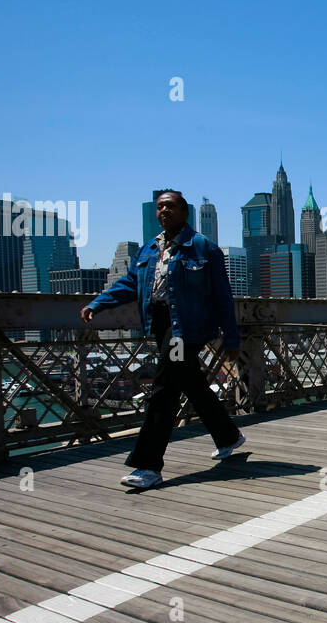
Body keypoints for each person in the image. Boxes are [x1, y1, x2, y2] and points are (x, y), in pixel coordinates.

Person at [81, 190, 244, 489]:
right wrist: (98, 303)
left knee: (163, 390)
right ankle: (229, 435)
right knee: (191, 384)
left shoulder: (203, 248)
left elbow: (222, 296)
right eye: (159, 207)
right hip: (160, 324)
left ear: (185, 212)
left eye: (170, 206)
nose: (163, 211)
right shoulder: (148, 250)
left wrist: (231, 340)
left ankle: (148, 466)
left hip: (185, 329)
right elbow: (130, 284)